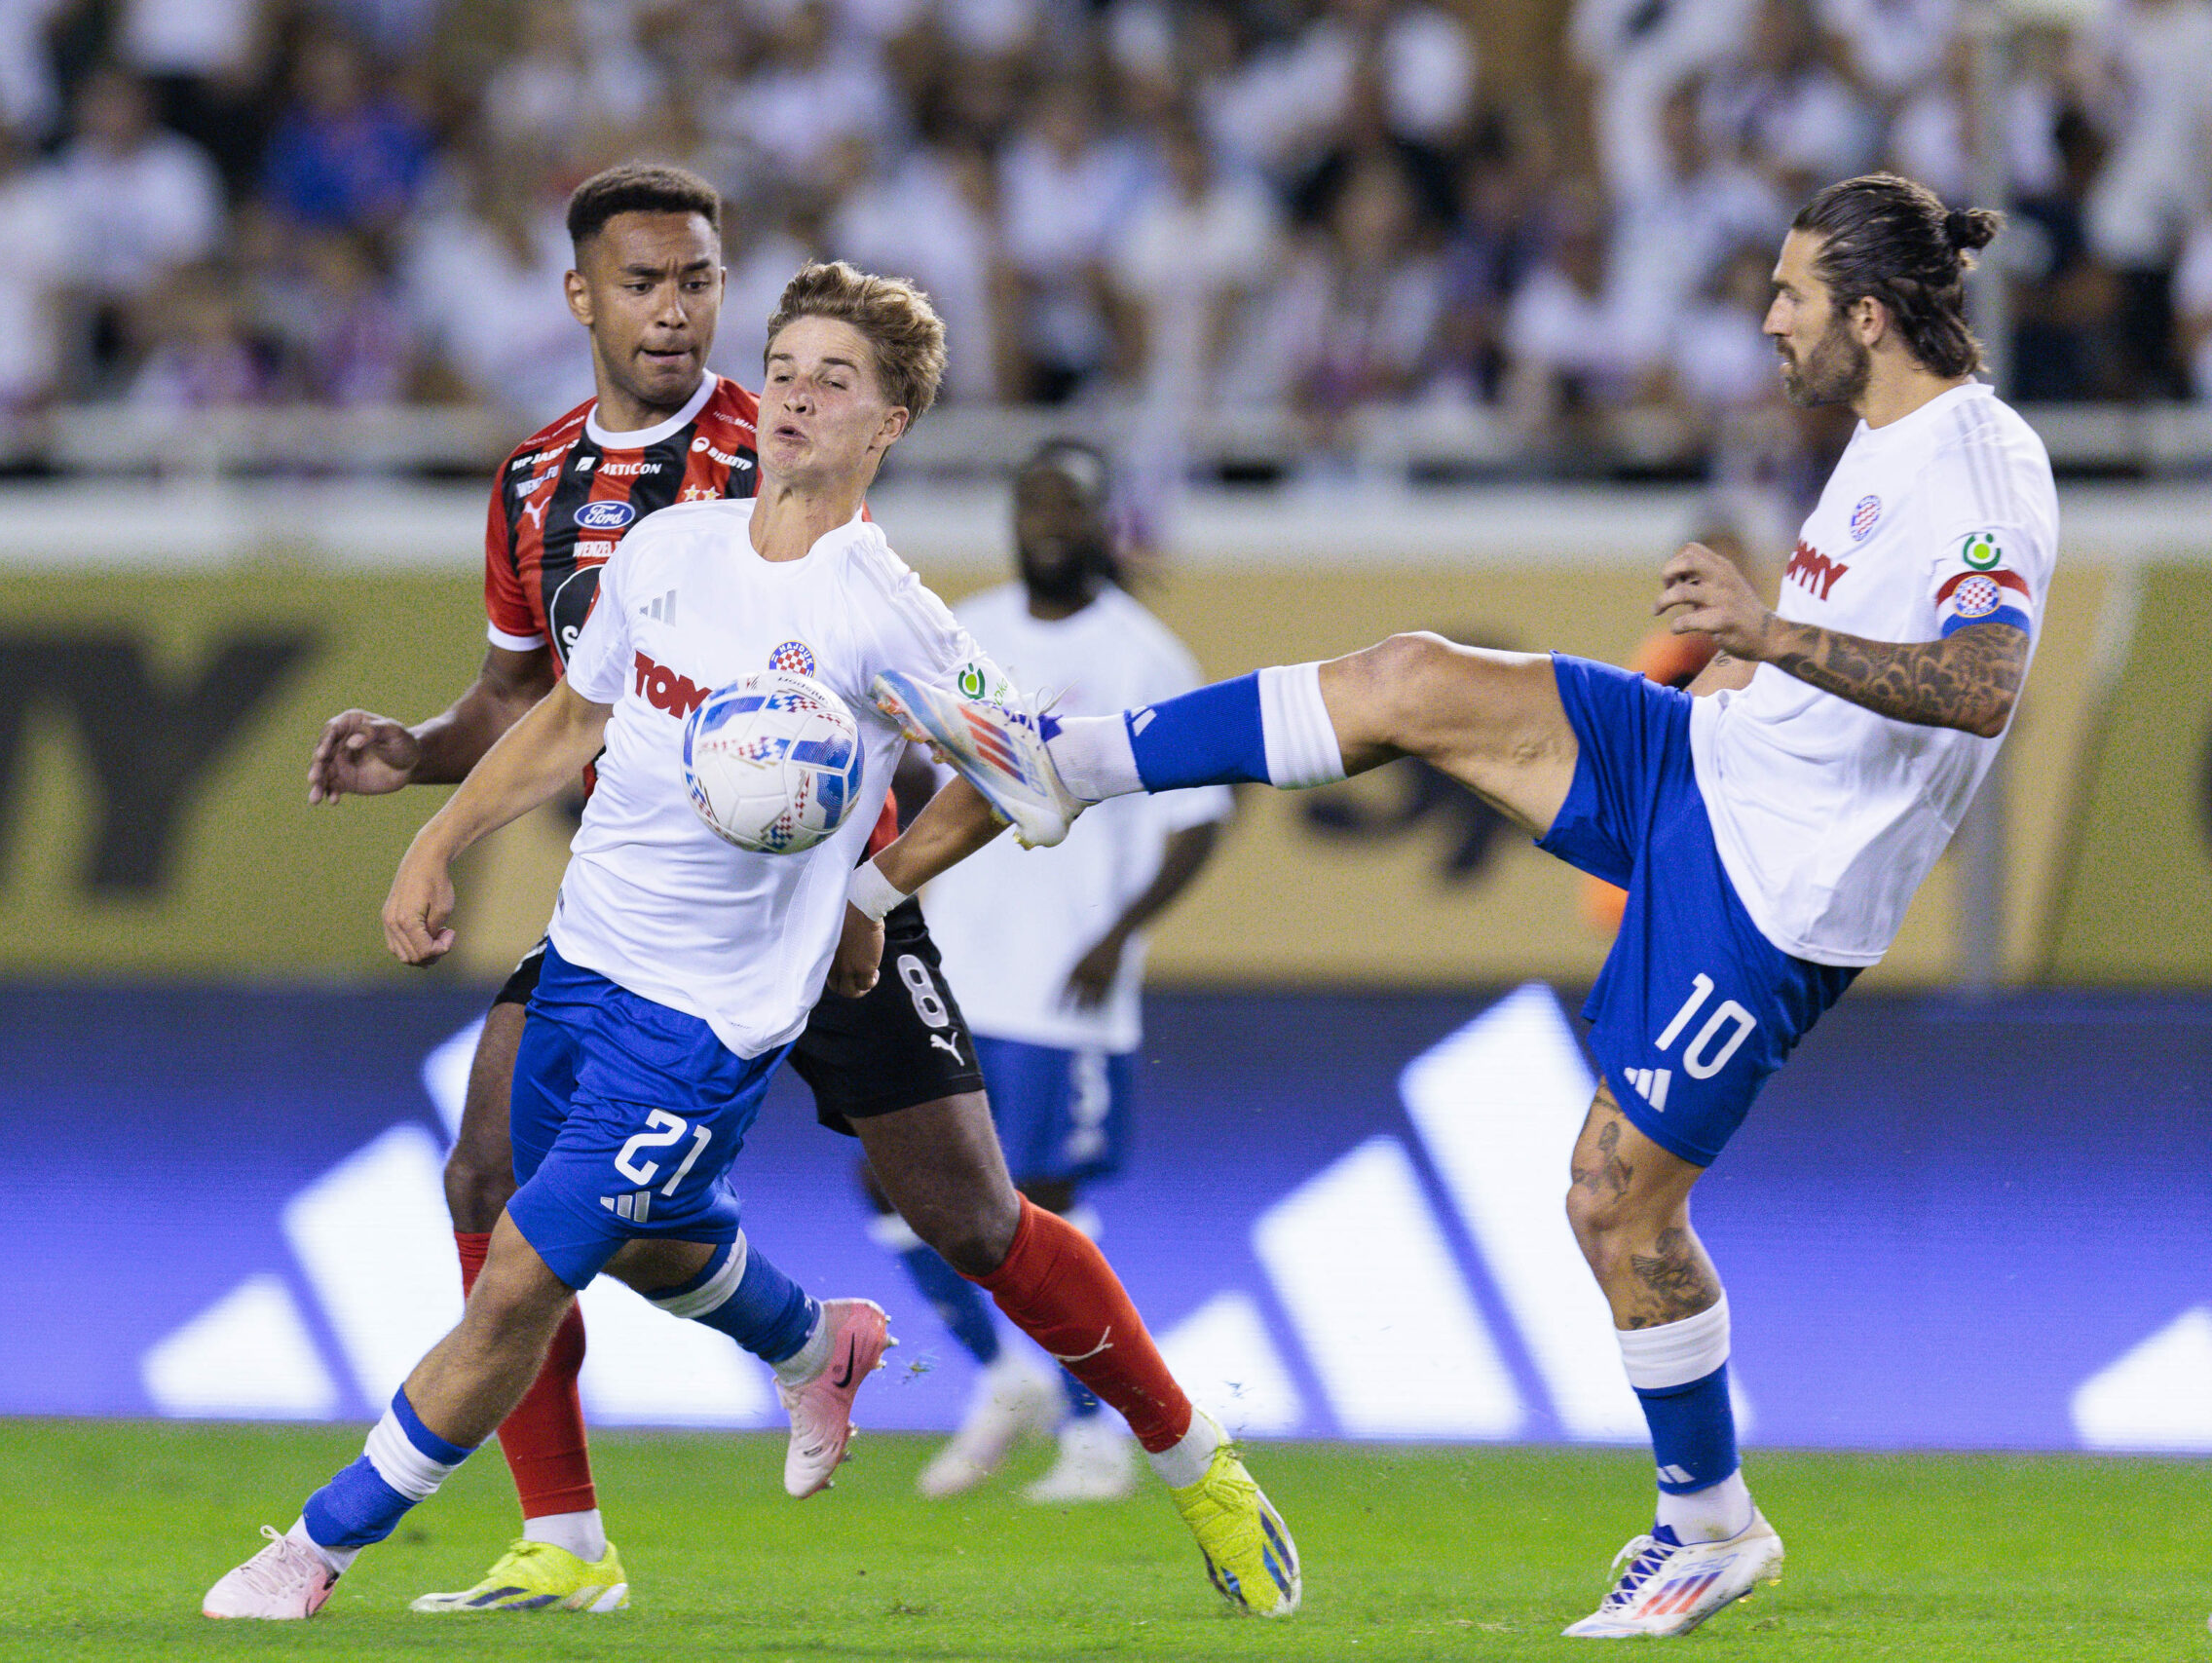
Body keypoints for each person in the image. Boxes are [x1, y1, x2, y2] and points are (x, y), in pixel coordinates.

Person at [871, 172, 2051, 1640]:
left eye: (1792, 296)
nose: (1767, 321)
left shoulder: (1980, 465)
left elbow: (1983, 684)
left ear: (1870, 315)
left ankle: (1710, 1523)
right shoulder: (1884, 446)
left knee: (1613, 1202)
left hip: (1776, 890)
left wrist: (1766, 628)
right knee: (1411, 679)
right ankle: (1063, 768)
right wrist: (1741, 670)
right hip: (1711, 770)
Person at [294, 167, 1300, 1621]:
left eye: (700, 280)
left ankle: (1187, 1449)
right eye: (645, 281)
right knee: (495, 1171)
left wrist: (877, 884)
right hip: (645, 927)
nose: (678, 310)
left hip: (830, 907)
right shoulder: (543, 484)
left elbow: (940, 702)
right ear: (580, 296)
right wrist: (422, 762)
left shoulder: (765, 457)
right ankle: (568, 1531)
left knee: (968, 1214)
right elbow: (542, 696)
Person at [899, 440, 1228, 1503]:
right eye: (1032, 502)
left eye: (1068, 506)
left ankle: (1096, 1430)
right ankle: (1009, 1381)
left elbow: (1199, 819)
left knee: (1037, 1205)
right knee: (892, 1179)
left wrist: (1118, 933)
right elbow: (911, 766)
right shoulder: (967, 634)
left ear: (1101, 525)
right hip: (952, 969)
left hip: (1063, 987)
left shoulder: (1144, 655)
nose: (1047, 522)